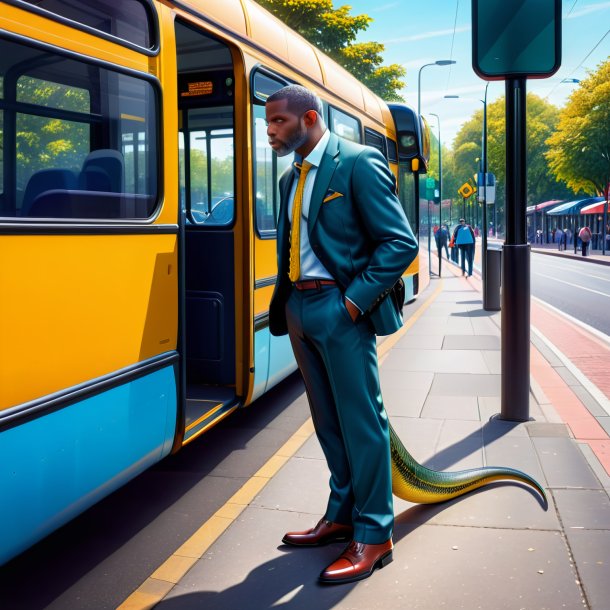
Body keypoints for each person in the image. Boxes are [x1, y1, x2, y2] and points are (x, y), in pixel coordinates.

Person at [265, 85, 417, 585]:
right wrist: (289, 304)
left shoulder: (357, 162)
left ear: (309, 118)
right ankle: (342, 514)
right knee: (327, 421)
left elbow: (398, 243)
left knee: (361, 421)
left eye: (279, 122)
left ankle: (374, 534)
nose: (270, 131)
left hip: (339, 307)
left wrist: (351, 303)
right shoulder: (291, 178)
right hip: (299, 310)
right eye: (269, 122)